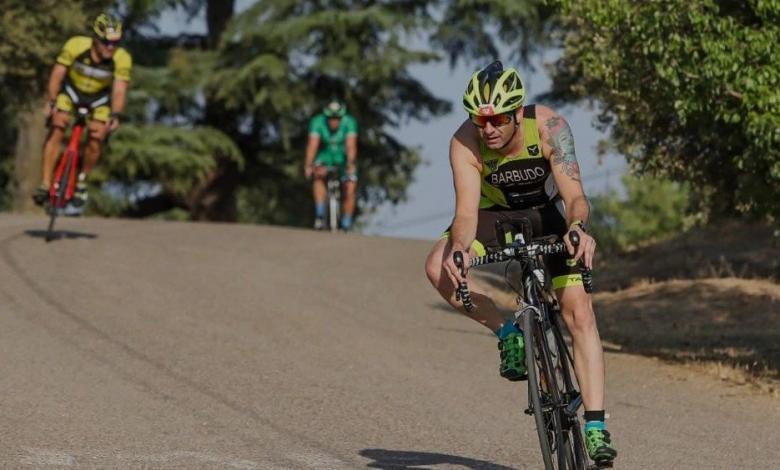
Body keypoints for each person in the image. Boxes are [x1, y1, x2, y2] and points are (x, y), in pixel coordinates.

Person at [424, 61, 617, 466]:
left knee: (579, 312)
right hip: (494, 217)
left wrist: (577, 228)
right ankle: (508, 331)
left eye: (496, 119)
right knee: (437, 267)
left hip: (547, 215)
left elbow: (575, 196)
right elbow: (465, 215)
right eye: (479, 119)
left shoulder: (549, 127)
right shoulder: (464, 142)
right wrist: (461, 248)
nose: (488, 128)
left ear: (517, 113)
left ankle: (596, 425)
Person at [33, 13, 132, 207]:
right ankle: (45, 183)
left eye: (115, 43)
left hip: (99, 100)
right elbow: (57, 74)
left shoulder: (122, 58)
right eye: (106, 42)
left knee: (97, 136)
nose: (111, 47)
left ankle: (81, 180)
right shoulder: (76, 45)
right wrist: (52, 101)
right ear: (95, 38)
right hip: (71, 93)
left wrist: (116, 114)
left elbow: (119, 90)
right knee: (58, 125)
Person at [304, 100, 358, 231]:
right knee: (318, 175)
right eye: (330, 118)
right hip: (325, 156)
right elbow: (312, 145)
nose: (334, 121)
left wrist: (350, 164)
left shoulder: (349, 122)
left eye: (337, 118)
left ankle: (346, 222)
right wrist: (309, 164)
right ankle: (320, 215)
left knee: (350, 186)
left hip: (342, 158)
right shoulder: (317, 122)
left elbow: (351, 146)